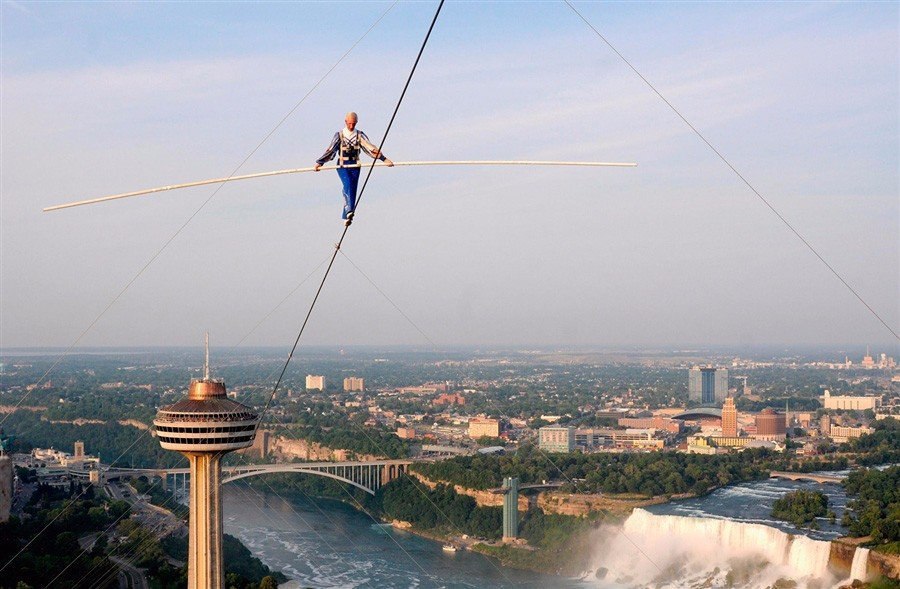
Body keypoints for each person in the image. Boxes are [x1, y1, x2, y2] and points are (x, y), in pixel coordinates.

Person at [315, 112, 393, 225]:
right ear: (345, 122)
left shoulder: (360, 135)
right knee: (348, 183)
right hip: (342, 165)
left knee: (353, 189)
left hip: (355, 165)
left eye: (354, 124)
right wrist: (320, 163)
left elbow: (370, 147)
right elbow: (331, 150)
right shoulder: (340, 135)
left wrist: (384, 159)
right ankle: (349, 210)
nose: (352, 126)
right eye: (350, 123)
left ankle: (347, 216)